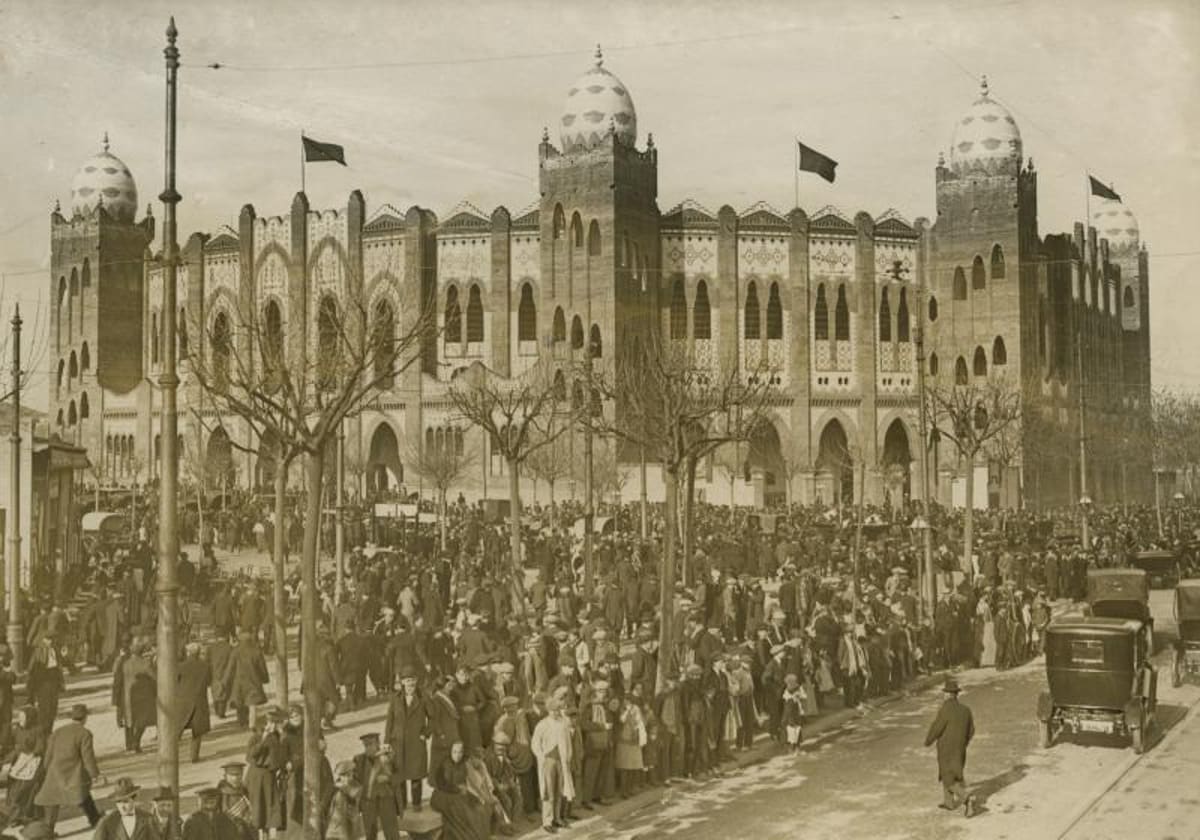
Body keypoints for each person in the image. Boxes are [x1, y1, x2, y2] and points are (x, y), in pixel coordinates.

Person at [33, 704, 104, 833]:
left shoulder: (58, 731)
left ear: (72, 717)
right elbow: (88, 758)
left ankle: (48, 830)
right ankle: (95, 820)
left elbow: (48, 754)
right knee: (83, 795)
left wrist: (47, 769)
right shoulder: (85, 733)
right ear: (85, 718)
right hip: (73, 774)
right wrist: (95, 775)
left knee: (51, 801)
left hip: (55, 772)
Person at [924, 677, 977, 818]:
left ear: (947, 694)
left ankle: (966, 798)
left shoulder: (945, 709)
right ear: (956, 694)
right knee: (954, 774)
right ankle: (948, 802)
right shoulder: (966, 710)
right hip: (960, 749)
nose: (944, 695)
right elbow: (971, 731)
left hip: (946, 749)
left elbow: (937, 728)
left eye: (944, 693)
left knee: (948, 777)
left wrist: (928, 741)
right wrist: (963, 743)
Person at [530, 696, 574, 833]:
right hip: (548, 760)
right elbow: (535, 743)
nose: (555, 713)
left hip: (561, 760)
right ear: (548, 711)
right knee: (548, 791)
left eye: (557, 710)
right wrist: (541, 756)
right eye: (553, 710)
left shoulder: (563, 723)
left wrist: (567, 756)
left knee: (560, 789)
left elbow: (568, 742)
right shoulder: (542, 724)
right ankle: (547, 821)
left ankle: (557, 817)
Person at [430, 742, 489, 840]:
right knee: (462, 812)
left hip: (458, 794)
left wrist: (472, 793)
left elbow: (466, 782)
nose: (457, 755)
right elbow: (441, 785)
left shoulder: (463, 765)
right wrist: (457, 789)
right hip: (443, 795)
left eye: (460, 752)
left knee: (478, 807)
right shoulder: (445, 764)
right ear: (450, 752)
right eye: (455, 752)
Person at [244, 709, 288, 839]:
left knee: (272, 805)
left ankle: (272, 836)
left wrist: (282, 737)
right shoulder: (255, 738)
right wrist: (263, 739)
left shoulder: (276, 738)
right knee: (258, 806)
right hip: (257, 775)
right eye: (269, 723)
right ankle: (260, 835)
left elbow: (281, 757)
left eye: (275, 723)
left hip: (270, 775)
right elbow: (251, 755)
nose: (272, 726)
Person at [177, 641, 212, 763]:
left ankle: (172, 755)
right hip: (199, 701)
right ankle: (194, 757)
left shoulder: (181, 666)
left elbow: (175, 682)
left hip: (183, 702)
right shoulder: (206, 666)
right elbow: (209, 681)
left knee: (177, 730)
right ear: (198, 653)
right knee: (197, 732)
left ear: (188, 653)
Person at [91, 778, 158, 840]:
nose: (122, 806)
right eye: (119, 802)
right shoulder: (107, 822)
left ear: (134, 799)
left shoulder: (148, 819)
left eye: (125, 802)